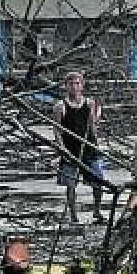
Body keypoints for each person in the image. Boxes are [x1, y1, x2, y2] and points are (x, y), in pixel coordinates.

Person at [51, 69, 111, 225]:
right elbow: (57, 129)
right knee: (71, 185)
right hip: (70, 148)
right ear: (66, 86)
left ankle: (97, 211)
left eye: (77, 83)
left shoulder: (89, 103)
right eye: (71, 84)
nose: (74, 87)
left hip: (89, 147)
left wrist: (96, 144)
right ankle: (73, 215)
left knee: (98, 180)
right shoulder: (60, 106)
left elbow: (92, 126)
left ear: (82, 86)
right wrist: (61, 147)